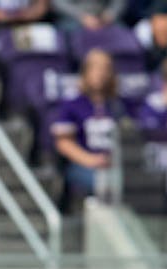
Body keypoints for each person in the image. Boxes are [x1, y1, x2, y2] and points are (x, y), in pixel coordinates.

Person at [51, 49, 121, 210]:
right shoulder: (73, 104)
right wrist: (91, 160)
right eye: (96, 68)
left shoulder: (119, 105)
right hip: (84, 165)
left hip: (116, 165)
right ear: (85, 72)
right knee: (106, 184)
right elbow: (63, 143)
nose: (101, 73)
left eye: (106, 68)